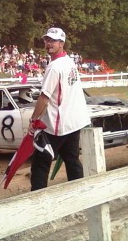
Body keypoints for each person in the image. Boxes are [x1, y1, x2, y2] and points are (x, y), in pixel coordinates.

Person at [29, 27, 90, 191]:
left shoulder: (54, 67)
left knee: (40, 164)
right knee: (72, 161)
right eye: (47, 40)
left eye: (53, 41)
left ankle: (37, 198)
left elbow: (44, 97)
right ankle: (79, 192)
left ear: (62, 43)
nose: (48, 44)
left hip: (57, 125)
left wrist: (34, 121)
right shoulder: (69, 62)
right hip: (73, 122)